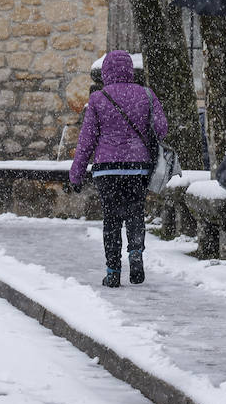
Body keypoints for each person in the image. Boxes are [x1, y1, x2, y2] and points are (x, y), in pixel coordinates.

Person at [69, 50, 169, 288]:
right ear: (130, 70)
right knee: (135, 212)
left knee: (111, 219)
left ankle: (113, 272)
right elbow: (162, 129)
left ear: (105, 72)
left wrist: (76, 174)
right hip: (138, 167)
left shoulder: (98, 98)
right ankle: (135, 254)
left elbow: (86, 141)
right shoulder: (146, 94)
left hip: (106, 169)